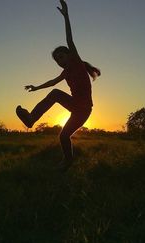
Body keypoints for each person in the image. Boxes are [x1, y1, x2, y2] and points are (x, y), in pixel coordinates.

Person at [16, 0, 100, 170]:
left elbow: (69, 39)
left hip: (83, 110)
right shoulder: (66, 72)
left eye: (62, 57)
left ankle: (67, 161)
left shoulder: (76, 63)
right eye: (57, 60)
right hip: (75, 106)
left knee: (63, 135)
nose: (60, 61)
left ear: (70, 55)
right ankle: (32, 119)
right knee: (56, 99)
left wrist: (66, 16)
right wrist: (36, 87)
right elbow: (52, 82)